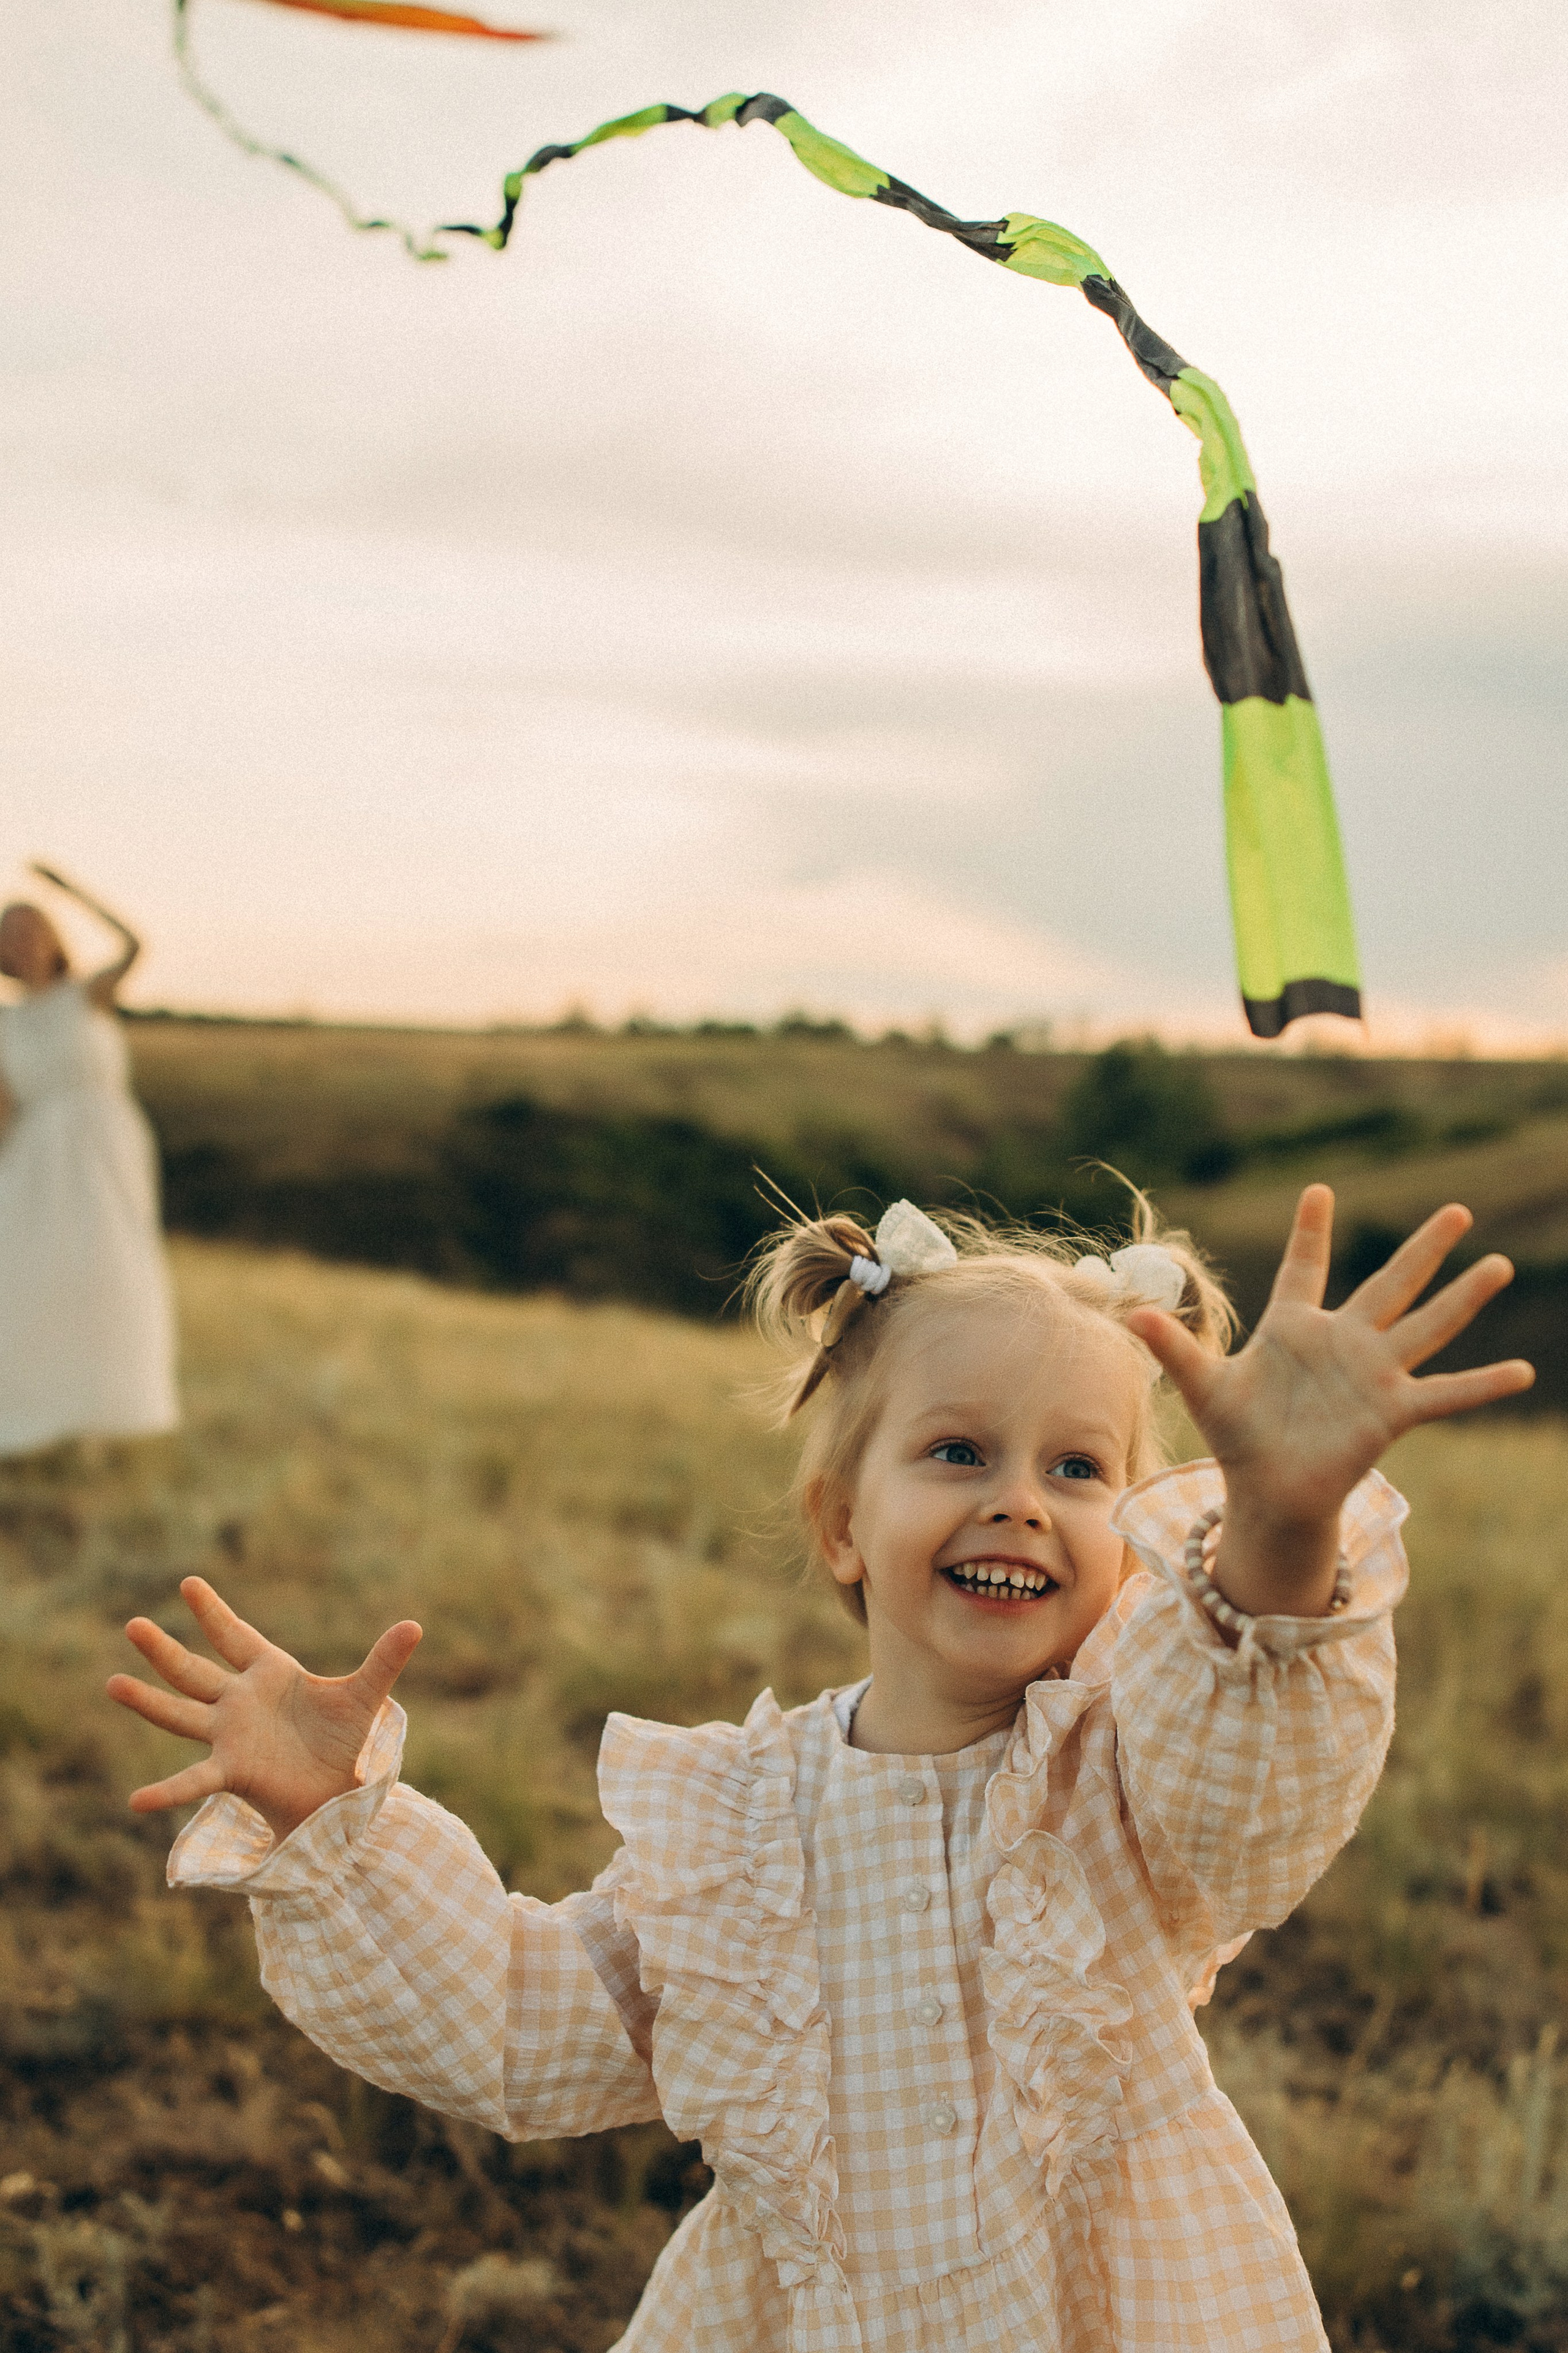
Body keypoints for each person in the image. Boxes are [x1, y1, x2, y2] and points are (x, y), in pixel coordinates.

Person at [107, 1184, 1531, 2351]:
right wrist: (337, 1821)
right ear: (842, 1522)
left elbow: (1254, 1806)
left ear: (1138, 1541)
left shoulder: (1128, 1766)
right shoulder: (741, 1817)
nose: (1017, 1500)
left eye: (1081, 1469)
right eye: (958, 1448)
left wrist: (1281, 1531)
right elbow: (524, 2025)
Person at [0, 864, 178, 1454]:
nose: (20, 942)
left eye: (30, 929)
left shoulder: (89, 995)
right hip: (34, 1162)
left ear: (53, 937)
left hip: (105, 1149)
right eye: (7, 934)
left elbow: (135, 946)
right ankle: (37, 1412)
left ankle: (97, 1422)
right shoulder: (4, 1025)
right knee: (28, 1282)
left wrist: (72, 892)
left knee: (107, 1276)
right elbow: (5, 1112)